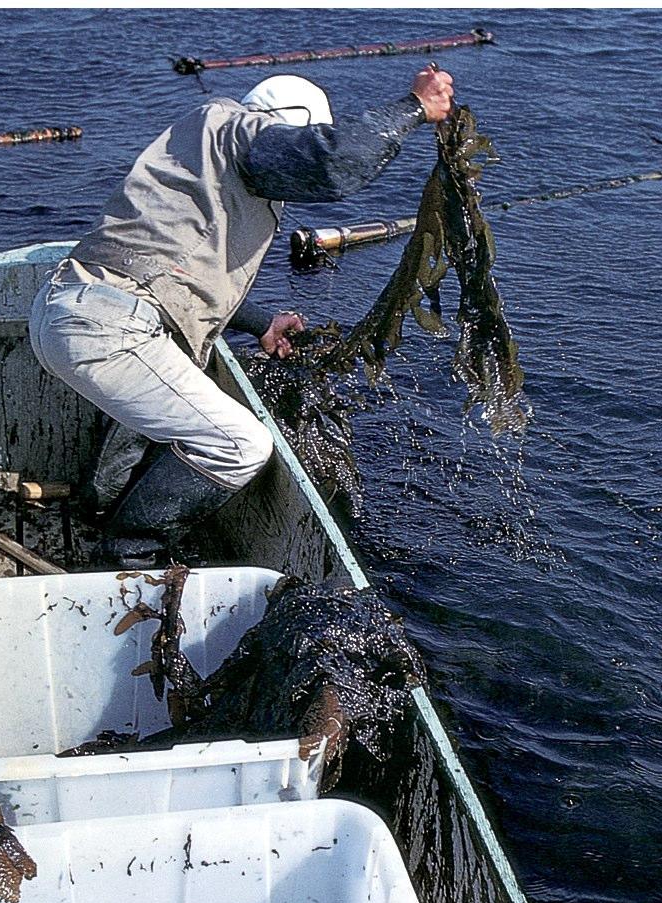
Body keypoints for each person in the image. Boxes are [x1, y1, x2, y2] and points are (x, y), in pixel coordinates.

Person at [28, 65, 455, 567]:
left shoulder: (204, 150)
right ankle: (129, 556)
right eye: (294, 141)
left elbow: (174, 278)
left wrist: (261, 324)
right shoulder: (242, 130)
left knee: (163, 410)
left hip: (75, 310)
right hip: (108, 328)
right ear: (285, 124)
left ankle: (97, 512)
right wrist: (413, 108)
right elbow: (335, 163)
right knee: (239, 444)